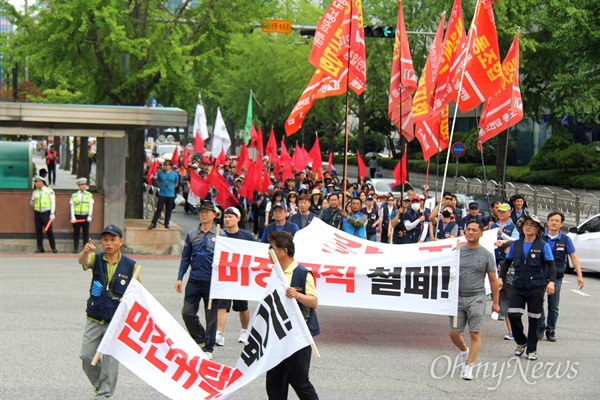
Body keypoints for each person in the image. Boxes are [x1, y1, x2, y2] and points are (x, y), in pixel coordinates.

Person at [77, 225, 141, 400]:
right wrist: (84, 251)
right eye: (105, 240)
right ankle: (100, 385)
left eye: (113, 240)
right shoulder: (96, 258)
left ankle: (104, 395)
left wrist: (128, 300)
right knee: (86, 355)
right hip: (95, 317)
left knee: (110, 361)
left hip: (117, 320)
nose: (109, 243)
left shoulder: (131, 266)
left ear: (121, 242)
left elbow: (138, 293)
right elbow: (83, 261)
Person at [266, 231, 319, 400]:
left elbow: (313, 302)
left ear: (284, 251)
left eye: (272, 248)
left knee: (299, 381)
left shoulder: (302, 273)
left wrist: (297, 295)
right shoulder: (275, 273)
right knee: (274, 382)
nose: (268, 252)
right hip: (278, 334)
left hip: (298, 335)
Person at [498, 214, 556, 361]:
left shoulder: (543, 245)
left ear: (538, 229)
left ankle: (531, 349)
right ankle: (521, 342)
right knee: (513, 314)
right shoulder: (516, 244)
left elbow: (551, 265)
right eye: (525, 224)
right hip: (518, 285)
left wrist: (551, 282)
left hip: (536, 286)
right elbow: (507, 263)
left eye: (532, 225)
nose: (528, 227)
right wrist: (500, 278)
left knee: (534, 318)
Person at [449, 220, 500, 380]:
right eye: (468, 229)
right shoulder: (456, 251)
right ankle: (465, 351)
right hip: (457, 298)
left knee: (475, 333)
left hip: (476, 298)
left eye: (474, 230)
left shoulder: (486, 255)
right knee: (453, 333)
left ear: (480, 234)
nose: (470, 232)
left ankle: (469, 366)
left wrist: (496, 303)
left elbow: (493, 280)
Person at [176, 200, 226, 360]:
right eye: (201, 211)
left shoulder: (220, 235)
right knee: (187, 313)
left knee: (211, 315)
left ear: (214, 214)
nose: (204, 214)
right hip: (195, 279)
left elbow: (227, 259)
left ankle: (209, 347)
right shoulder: (192, 234)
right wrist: (179, 277)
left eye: (207, 211)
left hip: (213, 282)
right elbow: (185, 258)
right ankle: (201, 340)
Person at [538, 211, 585, 342]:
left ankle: (551, 330)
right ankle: (540, 326)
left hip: (557, 276)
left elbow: (573, 256)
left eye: (557, 221)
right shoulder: (540, 237)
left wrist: (579, 275)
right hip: (539, 275)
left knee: (553, 305)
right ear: (547, 222)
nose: (554, 222)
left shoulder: (565, 239)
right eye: (551, 220)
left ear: (561, 224)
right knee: (537, 302)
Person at [216, 207, 255, 346]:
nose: (227, 219)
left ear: (238, 219)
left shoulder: (247, 236)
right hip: (225, 276)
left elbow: (254, 255)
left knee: (242, 306)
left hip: (240, 276)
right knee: (221, 305)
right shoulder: (220, 236)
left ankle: (245, 331)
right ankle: (219, 333)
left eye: (230, 217)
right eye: (225, 217)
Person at [491, 203, 520, 339]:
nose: (501, 214)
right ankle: (496, 307)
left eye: (504, 212)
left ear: (509, 213)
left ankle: (504, 311)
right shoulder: (493, 225)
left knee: (505, 287)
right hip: (494, 258)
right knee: (493, 285)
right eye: (499, 211)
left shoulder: (513, 227)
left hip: (507, 261)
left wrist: (502, 236)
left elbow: (516, 240)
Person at [148, 160, 179, 230]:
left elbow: (176, 183)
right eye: (164, 165)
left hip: (171, 194)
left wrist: (171, 187)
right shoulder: (160, 173)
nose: (165, 166)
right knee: (159, 209)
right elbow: (158, 182)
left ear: (170, 166)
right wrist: (162, 187)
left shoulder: (174, 174)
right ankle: (154, 222)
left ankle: (167, 222)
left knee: (169, 209)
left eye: (166, 165)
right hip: (162, 194)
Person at [30, 175, 57, 253]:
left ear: (41, 182)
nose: (35, 184)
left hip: (46, 213)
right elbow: (31, 204)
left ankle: (53, 247)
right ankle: (40, 248)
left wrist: (52, 213)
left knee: (49, 231)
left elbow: (53, 202)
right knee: (38, 231)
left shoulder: (49, 191)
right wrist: (32, 201)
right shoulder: (35, 192)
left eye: (36, 182)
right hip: (37, 213)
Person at [70, 177, 94, 253]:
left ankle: (85, 248)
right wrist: (72, 216)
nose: (83, 186)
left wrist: (90, 215)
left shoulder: (89, 195)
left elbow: (91, 205)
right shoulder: (74, 195)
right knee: (76, 233)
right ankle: (75, 248)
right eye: (81, 185)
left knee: (85, 234)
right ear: (78, 186)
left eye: (84, 185)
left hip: (85, 216)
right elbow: (72, 206)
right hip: (77, 216)